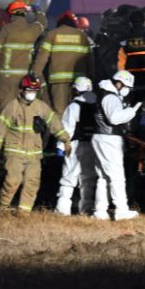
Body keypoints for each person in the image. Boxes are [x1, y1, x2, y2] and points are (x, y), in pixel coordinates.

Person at [0, 76, 70, 214]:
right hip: (14, 153)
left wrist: (65, 139)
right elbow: (0, 130)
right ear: (22, 90)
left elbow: (54, 123)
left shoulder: (41, 107)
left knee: (32, 183)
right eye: (29, 90)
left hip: (34, 154)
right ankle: (2, 208)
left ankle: (24, 213)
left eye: (35, 90)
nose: (32, 93)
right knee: (12, 181)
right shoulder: (12, 107)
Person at [92, 70, 141, 220]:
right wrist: (130, 112)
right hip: (109, 138)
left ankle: (100, 210)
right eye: (126, 86)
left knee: (103, 177)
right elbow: (114, 118)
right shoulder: (111, 97)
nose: (127, 90)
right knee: (117, 176)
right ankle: (121, 210)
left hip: (101, 137)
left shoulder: (104, 93)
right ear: (118, 83)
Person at [31, 11, 95, 115]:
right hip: (79, 82)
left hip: (58, 81)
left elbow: (42, 56)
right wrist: (91, 77)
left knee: (60, 111)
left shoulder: (52, 34)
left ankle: (60, 130)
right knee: (77, 111)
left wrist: (35, 74)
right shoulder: (82, 36)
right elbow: (90, 60)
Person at [0, 0, 46, 111]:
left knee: (5, 109)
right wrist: (38, 10)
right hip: (25, 78)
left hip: (6, 78)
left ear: (11, 14)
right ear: (24, 13)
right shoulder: (31, 30)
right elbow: (42, 23)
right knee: (23, 109)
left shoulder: (6, 30)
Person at [55, 76, 98, 216]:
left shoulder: (74, 106)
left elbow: (67, 129)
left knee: (68, 178)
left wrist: (60, 147)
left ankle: (62, 210)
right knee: (88, 179)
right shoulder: (98, 104)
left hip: (75, 145)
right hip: (93, 145)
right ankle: (86, 209)